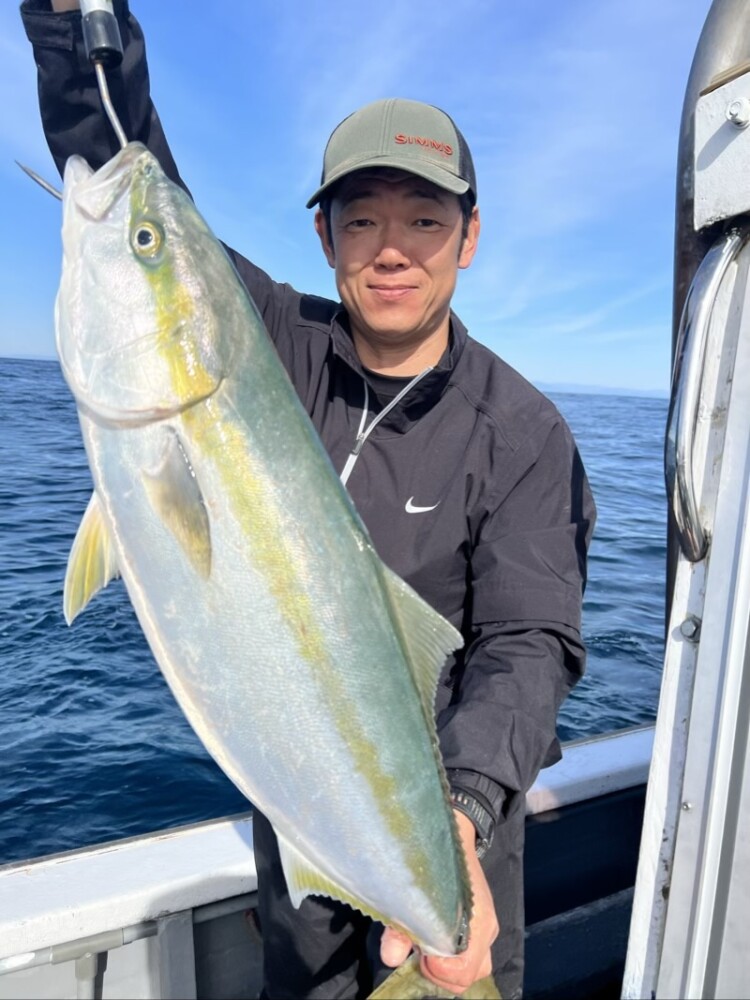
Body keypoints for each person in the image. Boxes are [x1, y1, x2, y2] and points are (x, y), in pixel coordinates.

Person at [20, 2, 596, 997]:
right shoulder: (259, 343)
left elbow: (529, 641)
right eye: (361, 218)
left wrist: (461, 812)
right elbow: (131, 170)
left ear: (469, 238)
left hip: (449, 838)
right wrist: (77, 25)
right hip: (301, 828)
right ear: (324, 235)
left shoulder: (523, 430)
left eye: (425, 220)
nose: (391, 249)